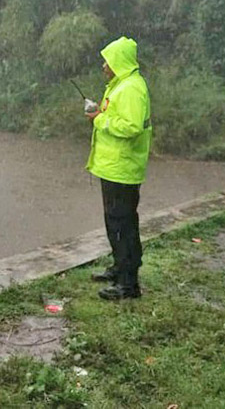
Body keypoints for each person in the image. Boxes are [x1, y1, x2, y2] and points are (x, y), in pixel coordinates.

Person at [83, 36, 152, 300]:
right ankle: (120, 267)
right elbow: (119, 117)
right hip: (114, 167)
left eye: (107, 61)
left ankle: (128, 284)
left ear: (118, 62)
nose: (103, 66)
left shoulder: (131, 88)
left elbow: (132, 127)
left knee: (122, 223)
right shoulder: (121, 85)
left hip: (122, 168)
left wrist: (100, 119)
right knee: (118, 221)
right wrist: (102, 113)